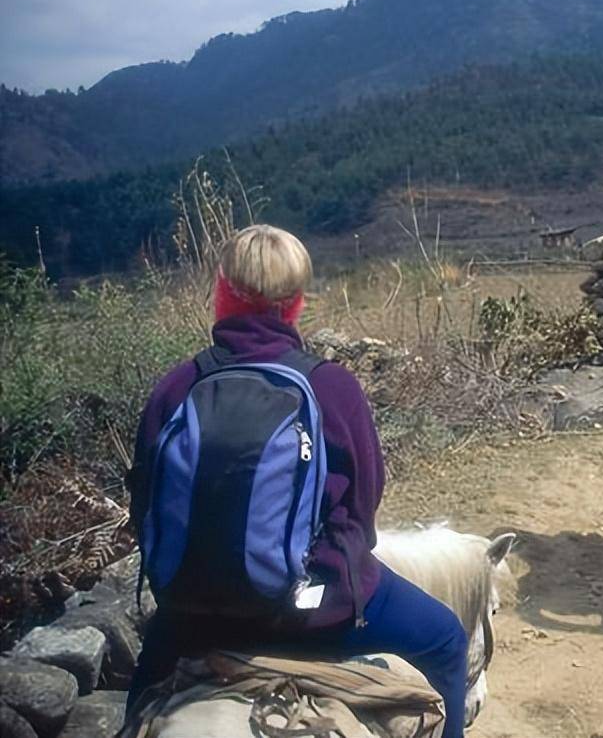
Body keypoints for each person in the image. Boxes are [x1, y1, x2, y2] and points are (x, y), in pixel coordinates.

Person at [126, 225, 470, 738]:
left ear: (221, 292)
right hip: (319, 613)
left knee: (137, 708)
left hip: (194, 618)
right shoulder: (332, 386)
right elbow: (364, 502)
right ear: (296, 304)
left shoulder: (177, 386)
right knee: (446, 640)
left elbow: (144, 507)